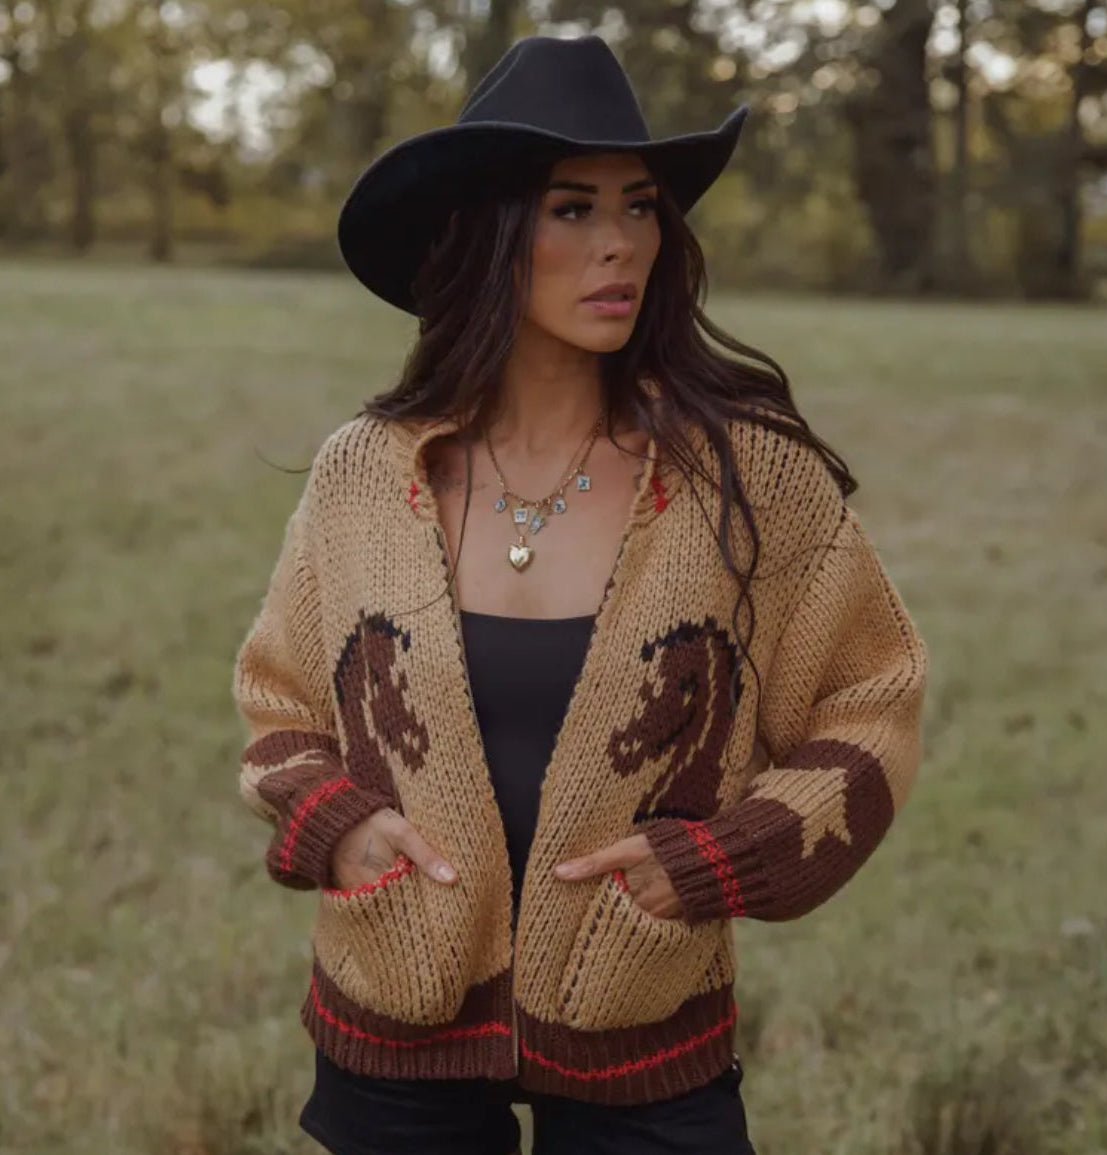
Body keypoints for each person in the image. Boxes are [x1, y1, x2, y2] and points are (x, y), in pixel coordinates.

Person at [230, 32, 929, 1155]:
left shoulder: (749, 478)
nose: (620, 244)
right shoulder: (368, 470)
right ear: (486, 233)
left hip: (642, 1018)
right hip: (393, 1011)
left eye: (641, 206)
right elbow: (282, 702)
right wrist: (335, 825)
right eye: (571, 209)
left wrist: (717, 859)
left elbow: (872, 699)